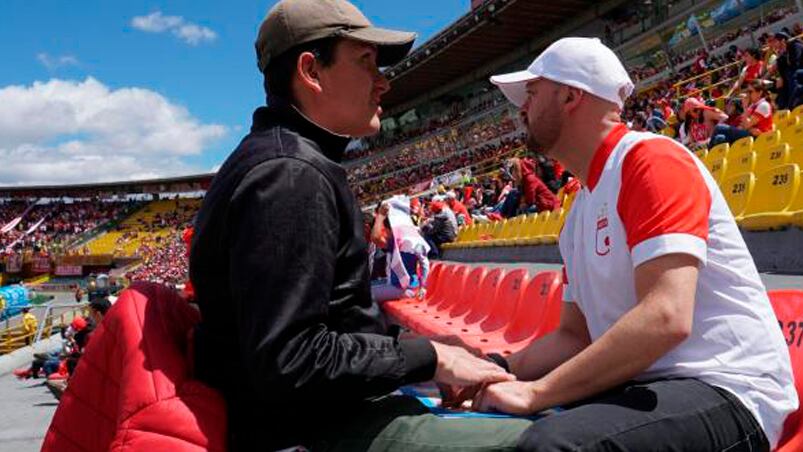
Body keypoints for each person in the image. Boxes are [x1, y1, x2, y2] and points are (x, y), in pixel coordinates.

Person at [189, 1, 515, 450]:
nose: (383, 80)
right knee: (558, 441)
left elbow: (332, 326)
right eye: (365, 62)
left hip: (322, 418)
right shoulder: (290, 175)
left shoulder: (285, 161)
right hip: (317, 431)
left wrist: (433, 349)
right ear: (311, 71)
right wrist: (429, 357)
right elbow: (291, 360)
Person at [485, 36, 796, 451]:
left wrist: (535, 393)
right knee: (492, 431)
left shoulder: (650, 160)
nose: (521, 108)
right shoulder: (578, 212)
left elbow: (666, 316)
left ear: (570, 95)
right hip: (651, 385)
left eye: (532, 92)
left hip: (727, 387)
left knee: (553, 446)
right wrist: (501, 369)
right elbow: (574, 337)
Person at [370, 196, 430, 302]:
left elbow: (375, 238)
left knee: (359, 295)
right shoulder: (402, 237)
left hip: (403, 288)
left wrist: (380, 215)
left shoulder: (406, 239)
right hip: (396, 285)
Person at [709, 80, 774, 147]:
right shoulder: (753, 105)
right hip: (750, 134)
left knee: (719, 127)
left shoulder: (763, 105)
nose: (748, 94)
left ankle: (708, 151)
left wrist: (745, 107)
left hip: (759, 138)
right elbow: (742, 124)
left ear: (760, 93)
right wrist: (749, 128)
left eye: (750, 92)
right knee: (720, 138)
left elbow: (746, 125)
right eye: (747, 91)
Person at [769, 32, 803, 109]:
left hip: (798, 71)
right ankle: (782, 107)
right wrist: (780, 56)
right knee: (779, 81)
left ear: (783, 40)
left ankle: (792, 104)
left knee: (791, 74)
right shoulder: (784, 52)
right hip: (796, 73)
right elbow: (782, 68)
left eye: (775, 42)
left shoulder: (795, 45)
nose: (774, 44)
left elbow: (795, 64)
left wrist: (783, 54)